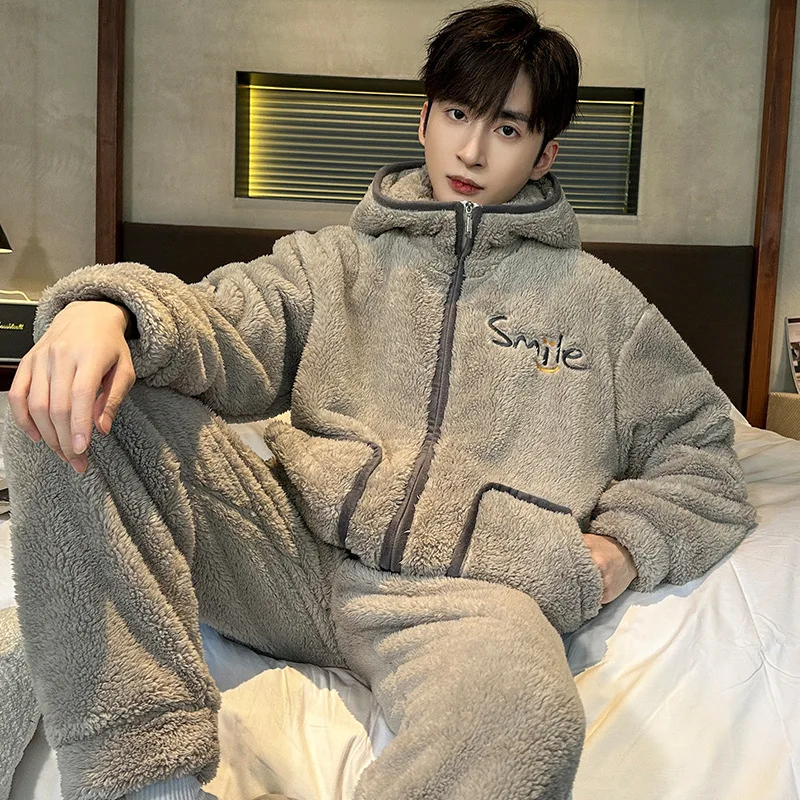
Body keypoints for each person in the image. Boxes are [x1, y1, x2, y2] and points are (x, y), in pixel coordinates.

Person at [4, 3, 755, 800]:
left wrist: (619, 550)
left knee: (528, 719)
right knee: (70, 406)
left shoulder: (605, 310)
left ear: (544, 154)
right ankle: (144, 786)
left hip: (470, 600)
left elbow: (702, 454)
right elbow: (218, 320)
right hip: (289, 555)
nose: (472, 150)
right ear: (424, 118)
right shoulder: (335, 264)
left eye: (506, 128)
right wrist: (105, 309)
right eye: (458, 114)